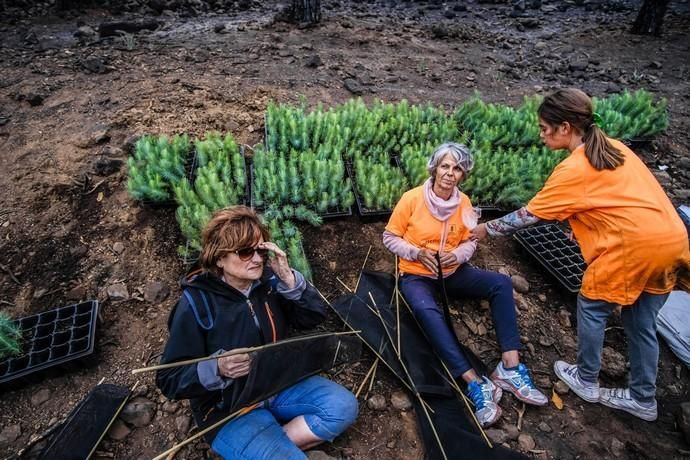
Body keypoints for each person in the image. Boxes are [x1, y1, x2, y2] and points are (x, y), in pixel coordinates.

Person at [473, 88, 690, 422]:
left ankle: (586, 379)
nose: (541, 134)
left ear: (565, 128)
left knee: (591, 305)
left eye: (545, 128)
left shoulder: (574, 169)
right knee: (641, 321)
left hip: (634, 249)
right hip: (673, 241)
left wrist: (484, 229)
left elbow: (529, 215)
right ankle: (643, 398)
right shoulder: (615, 148)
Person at [156, 206, 358, 459]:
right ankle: (262, 445)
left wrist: (290, 281)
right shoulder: (195, 305)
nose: (257, 259)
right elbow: (169, 379)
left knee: (343, 406)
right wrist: (217, 367)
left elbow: (313, 318)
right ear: (219, 258)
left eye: (260, 250)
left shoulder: (269, 283)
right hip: (230, 407)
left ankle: (268, 444)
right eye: (244, 252)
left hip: (277, 381)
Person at [383, 142, 547, 428]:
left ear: (463, 174)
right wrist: (417, 253)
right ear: (434, 169)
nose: (450, 173)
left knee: (500, 283)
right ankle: (475, 383)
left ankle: (510, 366)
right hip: (416, 274)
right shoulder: (411, 200)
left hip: (452, 273)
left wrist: (457, 255)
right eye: (445, 166)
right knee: (425, 310)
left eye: (457, 168)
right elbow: (390, 238)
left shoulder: (465, 204)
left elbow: (471, 242)